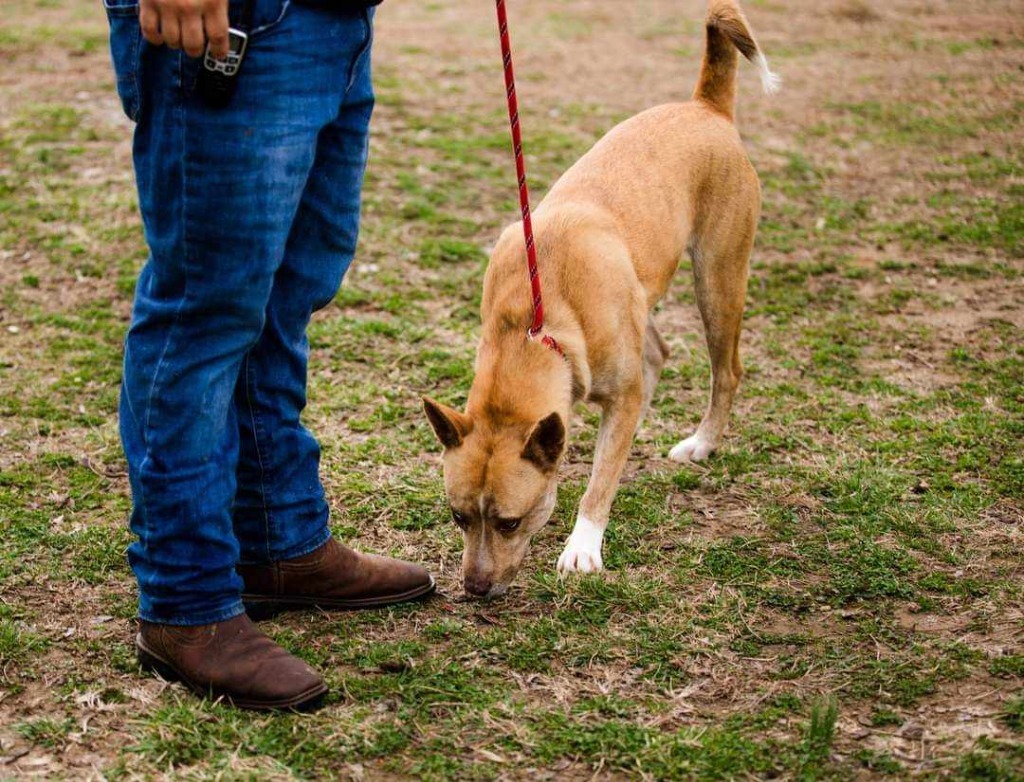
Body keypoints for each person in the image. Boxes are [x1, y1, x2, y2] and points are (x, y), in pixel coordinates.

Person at [103, 0, 434, 711]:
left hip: (334, 21)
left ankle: (276, 541)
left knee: (289, 287)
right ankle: (185, 602)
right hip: (236, 21)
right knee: (206, 306)